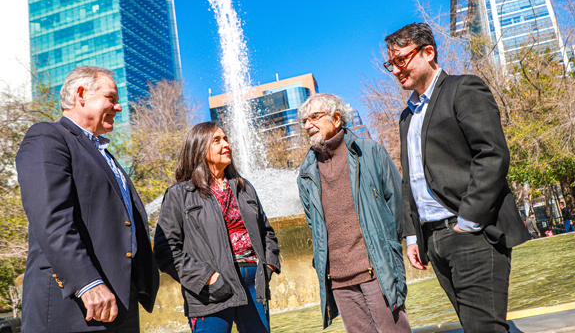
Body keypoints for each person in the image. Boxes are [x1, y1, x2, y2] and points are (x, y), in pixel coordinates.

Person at [385, 22, 530, 333]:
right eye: (391, 63)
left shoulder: (464, 89)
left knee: (484, 328)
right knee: (474, 327)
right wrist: (412, 235)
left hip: (471, 232)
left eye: (401, 60)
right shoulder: (407, 115)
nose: (395, 70)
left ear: (428, 52)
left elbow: (492, 155)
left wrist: (469, 220)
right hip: (434, 240)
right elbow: (410, 177)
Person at [16, 66, 159, 332]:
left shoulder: (104, 153)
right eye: (111, 98)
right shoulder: (47, 137)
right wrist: (87, 282)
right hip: (74, 302)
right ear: (81, 94)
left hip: (118, 298)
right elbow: (51, 218)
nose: (118, 107)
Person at [297, 93, 412, 333]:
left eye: (314, 117)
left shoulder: (369, 151)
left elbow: (398, 203)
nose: (308, 125)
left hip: (375, 270)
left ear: (336, 118)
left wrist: (388, 247)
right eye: (304, 121)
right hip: (339, 281)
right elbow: (313, 223)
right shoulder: (306, 173)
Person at [153, 122, 280, 333]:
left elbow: (267, 232)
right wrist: (208, 279)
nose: (226, 144)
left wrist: (268, 266)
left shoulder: (245, 187)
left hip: (254, 285)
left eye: (226, 139)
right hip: (210, 291)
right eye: (217, 140)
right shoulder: (179, 194)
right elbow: (166, 250)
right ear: (199, 148)